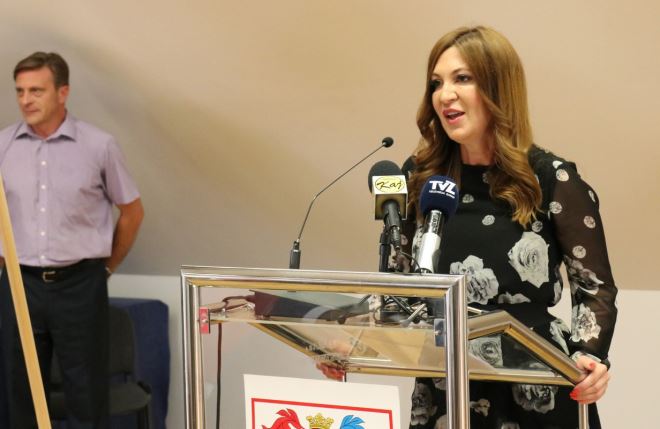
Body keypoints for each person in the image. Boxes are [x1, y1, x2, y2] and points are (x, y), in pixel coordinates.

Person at [401, 26, 617, 428]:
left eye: (462, 78)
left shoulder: (550, 178)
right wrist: (348, 342)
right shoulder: (422, 179)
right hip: (445, 379)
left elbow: (594, 286)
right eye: (436, 83)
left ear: (499, 88)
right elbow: (396, 284)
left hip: (536, 381)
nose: (445, 95)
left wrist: (589, 355)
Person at [0, 52, 144, 428]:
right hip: (19, 284)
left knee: (86, 392)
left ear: (62, 92)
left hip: (80, 284)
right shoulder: (3, 147)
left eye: (36, 90)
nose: (26, 100)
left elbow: (132, 212)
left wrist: (105, 269)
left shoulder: (99, 145)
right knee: (19, 390)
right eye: (20, 91)